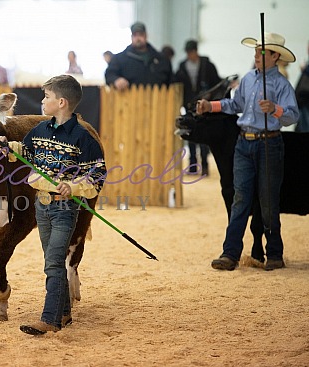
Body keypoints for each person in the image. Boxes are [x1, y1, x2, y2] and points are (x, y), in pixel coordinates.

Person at [0, 75, 106, 335]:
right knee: (51, 259)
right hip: (40, 206)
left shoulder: (83, 138)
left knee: (53, 262)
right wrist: (9, 148)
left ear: (62, 102)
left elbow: (97, 176)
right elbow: (27, 150)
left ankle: (50, 319)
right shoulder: (42, 130)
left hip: (65, 208)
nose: (42, 102)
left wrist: (74, 187)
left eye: (47, 97)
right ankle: (64, 313)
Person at [196, 32, 299, 271]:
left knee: (268, 200)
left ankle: (274, 253)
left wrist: (275, 109)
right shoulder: (249, 79)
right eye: (256, 52)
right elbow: (236, 105)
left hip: (269, 144)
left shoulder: (282, 84)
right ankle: (230, 253)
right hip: (244, 143)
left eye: (262, 52)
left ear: (275, 56)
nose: (257, 56)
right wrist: (210, 106)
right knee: (240, 198)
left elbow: (292, 115)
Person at [175, 40, 222, 176]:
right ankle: (193, 166)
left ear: (196, 51)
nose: (190, 55)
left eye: (192, 52)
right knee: (190, 134)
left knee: (203, 137)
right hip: (189, 105)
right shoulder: (182, 66)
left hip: (204, 104)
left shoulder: (207, 65)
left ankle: (205, 166)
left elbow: (216, 82)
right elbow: (178, 83)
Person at [105, 22, 172, 89]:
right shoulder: (120, 59)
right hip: (129, 98)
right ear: (131, 37)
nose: (138, 38)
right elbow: (109, 74)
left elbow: (171, 80)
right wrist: (116, 80)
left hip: (157, 98)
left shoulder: (161, 59)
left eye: (141, 35)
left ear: (146, 36)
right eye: (135, 35)